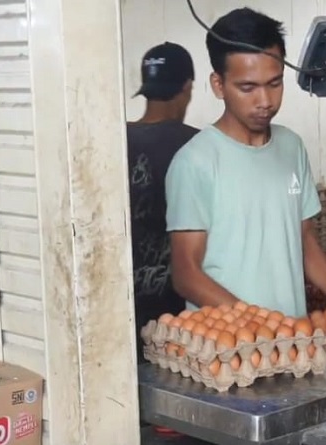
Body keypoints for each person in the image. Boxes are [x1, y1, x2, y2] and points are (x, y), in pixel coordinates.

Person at [165, 8, 326, 318]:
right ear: (218, 85)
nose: (265, 101)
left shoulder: (291, 147)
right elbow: (186, 274)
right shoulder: (195, 162)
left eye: (274, 83)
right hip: (228, 352)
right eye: (248, 88)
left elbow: (303, 240)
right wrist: (259, 325)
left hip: (291, 348)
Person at [127, 42, 199, 361]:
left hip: (122, 307)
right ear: (187, 87)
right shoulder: (198, 146)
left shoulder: (115, 140)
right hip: (181, 312)